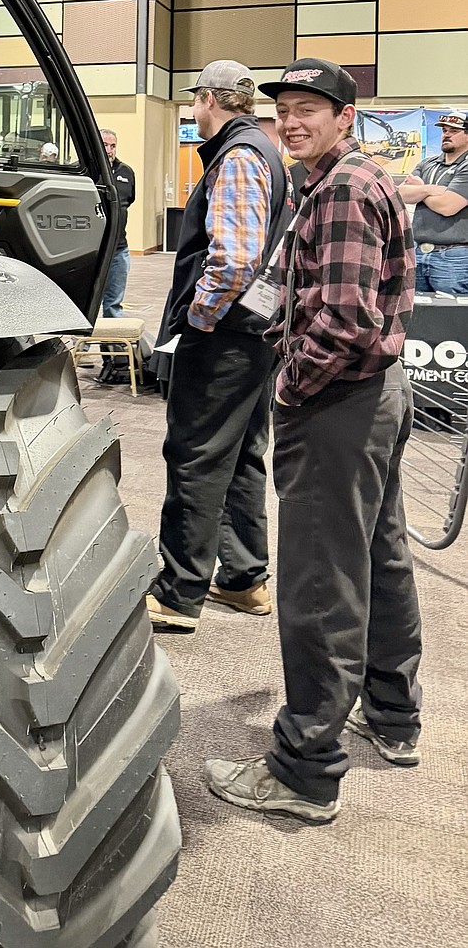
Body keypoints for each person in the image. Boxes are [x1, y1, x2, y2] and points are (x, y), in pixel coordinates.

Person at [205, 57, 420, 825]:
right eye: (284, 108)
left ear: (345, 117)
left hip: (338, 403)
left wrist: (290, 389)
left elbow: (344, 321)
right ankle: (392, 717)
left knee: (318, 583)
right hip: (375, 396)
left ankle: (305, 769)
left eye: (309, 108)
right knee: (380, 557)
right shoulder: (342, 180)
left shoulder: (343, 189)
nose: (292, 120)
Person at [147, 60, 290, 633]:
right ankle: (243, 579)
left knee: (196, 457)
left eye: (195, 102)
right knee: (241, 455)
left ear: (209, 99)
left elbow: (234, 258)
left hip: (225, 337)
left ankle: (179, 592)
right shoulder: (261, 150)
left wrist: (199, 321)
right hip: (254, 336)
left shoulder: (235, 157)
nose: (193, 112)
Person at [399, 110, 468, 295]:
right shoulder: (426, 163)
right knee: (417, 314)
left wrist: (420, 190)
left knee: (452, 318)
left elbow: (448, 207)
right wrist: (429, 189)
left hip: (455, 258)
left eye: (454, 130)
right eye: (445, 130)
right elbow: (401, 194)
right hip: (418, 252)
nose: (446, 134)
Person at [100, 130, 136, 319]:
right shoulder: (85, 171)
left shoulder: (126, 172)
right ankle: (81, 347)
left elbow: (128, 200)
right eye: (105, 145)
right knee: (87, 304)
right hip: (92, 251)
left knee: (114, 304)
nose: (109, 150)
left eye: (112, 146)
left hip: (119, 250)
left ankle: (111, 347)